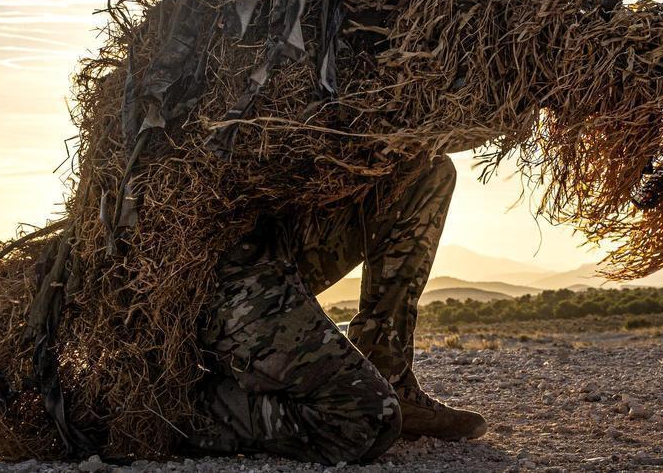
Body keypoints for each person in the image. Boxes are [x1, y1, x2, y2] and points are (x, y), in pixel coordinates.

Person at [187, 152, 487, 464]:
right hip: (219, 268)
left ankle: (388, 370)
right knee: (367, 418)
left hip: (278, 230)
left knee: (426, 172)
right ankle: (179, 410)